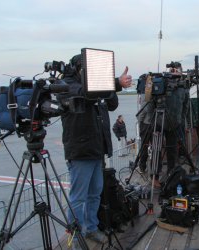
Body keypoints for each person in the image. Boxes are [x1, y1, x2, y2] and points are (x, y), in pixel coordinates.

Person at [58, 54, 132, 249]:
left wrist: (110, 83)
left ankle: (91, 227)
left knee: (95, 194)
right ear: (77, 68)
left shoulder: (96, 85)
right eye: (87, 69)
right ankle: (75, 237)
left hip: (97, 149)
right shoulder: (68, 84)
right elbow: (84, 94)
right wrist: (114, 82)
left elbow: (113, 104)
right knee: (78, 197)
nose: (91, 73)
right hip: (81, 151)